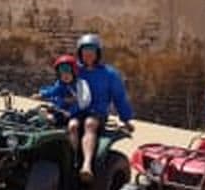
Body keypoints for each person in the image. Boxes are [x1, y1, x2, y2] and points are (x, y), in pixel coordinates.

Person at [74, 34, 135, 181]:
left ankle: (86, 165)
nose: (88, 54)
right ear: (80, 53)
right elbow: (60, 87)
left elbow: (119, 97)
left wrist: (126, 119)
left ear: (98, 53)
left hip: (96, 113)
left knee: (89, 124)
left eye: (92, 50)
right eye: (85, 50)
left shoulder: (109, 74)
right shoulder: (74, 71)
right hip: (74, 111)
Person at [37, 54, 89, 149]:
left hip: (77, 114)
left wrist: (71, 112)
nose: (65, 75)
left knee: (73, 126)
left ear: (74, 71)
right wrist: (42, 94)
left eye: (68, 72)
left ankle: (74, 152)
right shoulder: (60, 84)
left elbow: (83, 103)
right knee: (42, 117)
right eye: (62, 73)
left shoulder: (81, 84)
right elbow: (53, 91)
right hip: (62, 112)